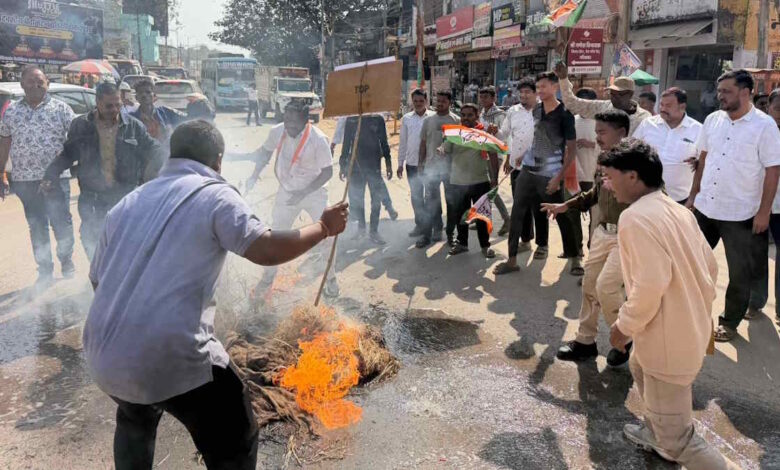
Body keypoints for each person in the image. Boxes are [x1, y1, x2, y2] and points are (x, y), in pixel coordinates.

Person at [84, 120, 349, 470]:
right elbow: (265, 248)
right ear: (218, 160)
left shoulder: (128, 202)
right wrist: (324, 227)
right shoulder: (214, 192)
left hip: (104, 354)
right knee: (235, 432)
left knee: (135, 416)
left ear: (172, 154)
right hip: (173, 352)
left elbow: (97, 282)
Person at [602, 138, 738, 470]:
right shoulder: (677, 210)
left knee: (681, 440)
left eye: (610, 175)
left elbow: (649, 284)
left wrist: (623, 326)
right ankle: (655, 434)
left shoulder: (634, 218)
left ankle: (668, 441)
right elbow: (711, 267)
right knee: (637, 366)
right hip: (686, 332)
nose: (606, 184)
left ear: (632, 176)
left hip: (668, 343)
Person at [686, 70, 780, 342]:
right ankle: (689, 311)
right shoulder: (713, 120)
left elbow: (772, 172)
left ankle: (729, 322)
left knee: (739, 273)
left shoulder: (765, 126)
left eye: (726, 91)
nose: (720, 96)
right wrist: (693, 196)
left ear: (745, 92)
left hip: (741, 213)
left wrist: (763, 212)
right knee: (691, 261)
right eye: (720, 91)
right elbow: (703, 159)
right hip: (705, 207)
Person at [543, 111, 631, 366]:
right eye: (597, 131)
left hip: (627, 236)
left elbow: (656, 194)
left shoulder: (638, 159)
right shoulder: (603, 159)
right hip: (602, 233)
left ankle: (623, 341)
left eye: (602, 132)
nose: (597, 137)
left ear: (622, 132)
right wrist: (565, 206)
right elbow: (594, 193)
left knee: (607, 287)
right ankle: (585, 342)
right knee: (590, 286)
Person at [43, 82, 163, 261]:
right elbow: (68, 154)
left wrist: (152, 176)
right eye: (109, 105)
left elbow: (155, 150)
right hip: (92, 196)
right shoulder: (81, 125)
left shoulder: (133, 126)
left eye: (118, 105)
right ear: (97, 102)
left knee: (126, 238)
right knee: (91, 237)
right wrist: (50, 176)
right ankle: (98, 274)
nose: (114, 110)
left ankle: (120, 274)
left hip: (125, 195)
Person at [243, 101, 340, 297]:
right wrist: (254, 175)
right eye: (286, 119)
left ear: (305, 120)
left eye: (294, 121)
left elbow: (327, 172)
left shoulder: (318, 139)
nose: (289, 125)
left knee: (328, 236)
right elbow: (264, 154)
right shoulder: (277, 131)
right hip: (287, 192)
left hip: (314, 194)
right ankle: (268, 278)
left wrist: (303, 193)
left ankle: (331, 278)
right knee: (275, 235)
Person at [494, 72, 581, 276]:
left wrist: (558, 178)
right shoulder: (537, 110)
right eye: (538, 87)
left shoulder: (564, 114)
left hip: (549, 174)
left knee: (562, 216)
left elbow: (572, 150)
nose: (539, 91)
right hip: (527, 170)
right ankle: (512, 260)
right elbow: (536, 137)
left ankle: (575, 258)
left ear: (555, 88)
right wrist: (523, 154)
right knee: (517, 214)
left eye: (543, 87)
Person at [0, 66, 76, 284]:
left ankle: (67, 261)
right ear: (22, 84)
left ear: (47, 84)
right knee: (36, 224)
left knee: (61, 222)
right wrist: (1, 172)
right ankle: (44, 270)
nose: (35, 85)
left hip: (56, 179)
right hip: (25, 181)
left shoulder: (62, 109)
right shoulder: (11, 111)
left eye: (39, 81)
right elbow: (4, 141)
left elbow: (74, 141)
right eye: (30, 81)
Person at [438, 103, 499, 258]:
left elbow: (493, 156)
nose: (466, 118)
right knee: (461, 216)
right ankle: (462, 244)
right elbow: (445, 147)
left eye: (469, 115)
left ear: (477, 116)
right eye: (463, 115)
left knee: (482, 217)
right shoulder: (455, 134)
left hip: (480, 181)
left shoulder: (484, 134)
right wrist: (441, 150)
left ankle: (485, 246)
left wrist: (494, 178)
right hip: (458, 182)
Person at [497, 77, 545, 253]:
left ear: (535, 93)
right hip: (517, 168)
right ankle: (525, 241)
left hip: (539, 168)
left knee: (539, 207)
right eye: (521, 92)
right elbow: (505, 134)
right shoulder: (513, 111)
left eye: (527, 92)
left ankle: (542, 245)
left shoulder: (544, 111)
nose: (523, 95)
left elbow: (545, 139)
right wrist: (494, 132)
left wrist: (526, 155)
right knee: (520, 206)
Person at [633, 88, 702, 204]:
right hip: (646, 195)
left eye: (668, 105)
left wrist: (693, 198)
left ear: (682, 107)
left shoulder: (698, 130)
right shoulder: (648, 124)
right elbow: (632, 150)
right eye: (661, 105)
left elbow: (703, 162)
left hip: (679, 199)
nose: (663, 109)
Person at [340, 113, 394, 245]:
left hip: (374, 165)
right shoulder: (352, 119)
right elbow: (346, 143)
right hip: (356, 166)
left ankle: (374, 231)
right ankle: (361, 228)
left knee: (376, 200)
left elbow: (384, 142)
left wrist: (388, 162)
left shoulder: (378, 119)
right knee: (358, 199)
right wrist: (343, 165)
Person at [555, 61, 651, 135]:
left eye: (619, 94)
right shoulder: (603, 107)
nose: (614, 97)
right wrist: (563, 79)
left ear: (630, 94)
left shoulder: (644, 118)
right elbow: (571, 103)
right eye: (612, 93)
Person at [751, 89, 780, 324]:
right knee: (757, 255)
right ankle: (755, 301)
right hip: (757, 204)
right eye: (778, 108)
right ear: (768, 106)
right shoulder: (757, 130)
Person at [417, 91, 460, 248]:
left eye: (443, 101)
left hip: (450, 170)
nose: (440, 103)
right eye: (438, 100)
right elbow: (423, 143)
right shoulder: (428, 120)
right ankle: (428, 234)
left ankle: (450, 235)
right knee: (431, 203)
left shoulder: (456, 120)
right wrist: (420, 163)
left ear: (450, 102)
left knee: (451, 203)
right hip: (431, 169)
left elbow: (459, 146)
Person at [398, 89, 435, 237]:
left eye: (421, 101)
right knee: (416, 196)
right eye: (415, 101)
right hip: (412, 164)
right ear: (411, 102)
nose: (418, 104)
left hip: (430, 164)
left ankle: (433, 226)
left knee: (431, 196)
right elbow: (403, 142)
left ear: (426, 101)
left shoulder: (433, 117)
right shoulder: (406, 118)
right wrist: (400, 163)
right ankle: (419, 225)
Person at [478, 86, 510, 236]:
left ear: (493, 98)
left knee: (492, 188)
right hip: (482, 152)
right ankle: (483, 218)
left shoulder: (500, 115)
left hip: (494, 155)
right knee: (483, 187)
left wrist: (495, 131)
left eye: (486, 97)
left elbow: (504, 137)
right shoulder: (482, 113)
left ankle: (506, 219)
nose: (483, 100)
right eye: (481, 97)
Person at [131, 78, 186, 152]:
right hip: (144, 159)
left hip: (166, 157)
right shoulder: (130, 119)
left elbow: (188, 119)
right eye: (140, 92)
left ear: (154, 96)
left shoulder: (166, 112)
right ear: (136, 97)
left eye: (148, 92)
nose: (144, 95)